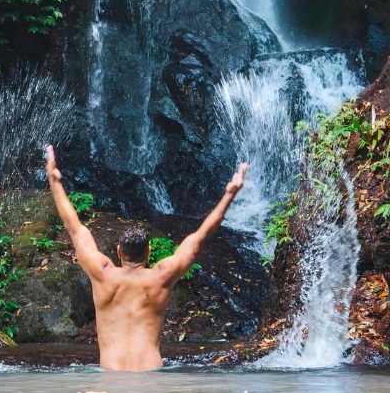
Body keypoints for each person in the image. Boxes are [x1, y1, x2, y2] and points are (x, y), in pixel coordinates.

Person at [44, 144, 249, 371]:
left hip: (112, 375)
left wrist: (55, 181)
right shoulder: (160, 278)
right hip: (151, 373)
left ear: (119, 251)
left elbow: (74, 228)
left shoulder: (102, 274)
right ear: (149, 252)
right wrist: (230, 193)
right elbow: (198, 239)